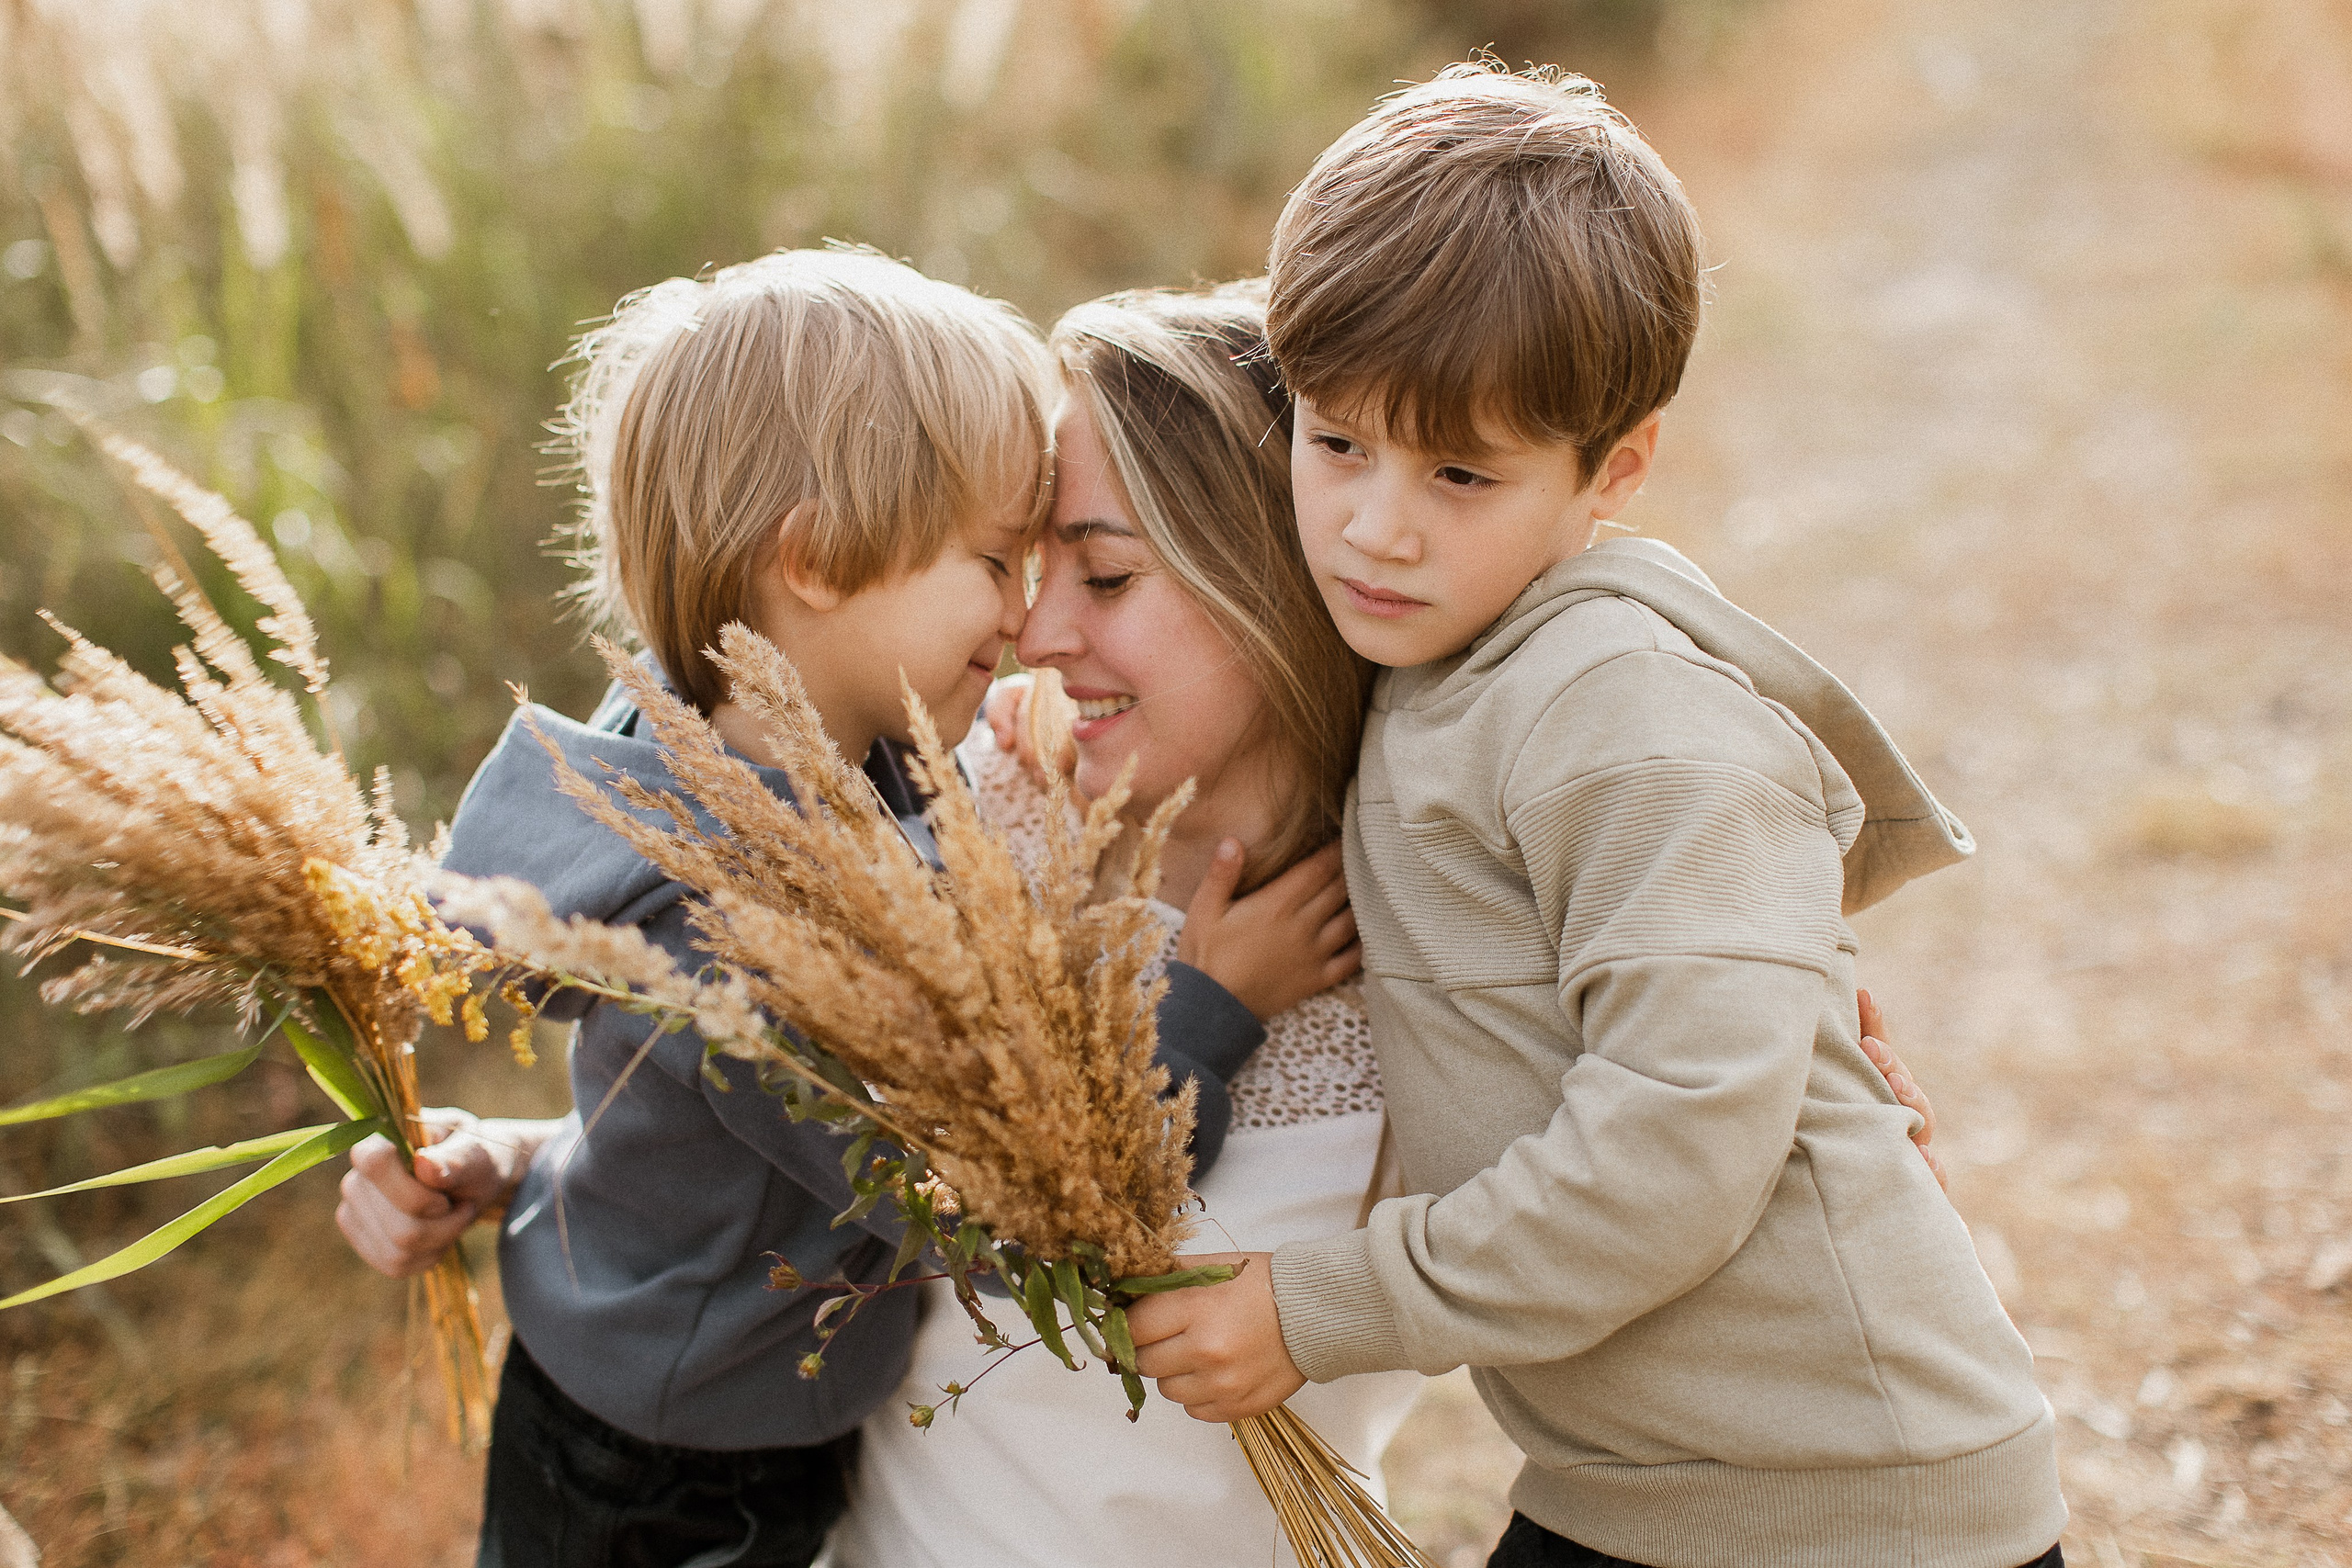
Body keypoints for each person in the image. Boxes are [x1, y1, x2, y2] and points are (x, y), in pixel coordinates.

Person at [828, 281, 1951, 1568]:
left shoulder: (1460, 929)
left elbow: (1681, 1173)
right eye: (1033, 572)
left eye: (1106, 574)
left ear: (1272, 577)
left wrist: (1824, 1119)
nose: (1036, 630)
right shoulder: (971, 826)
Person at [1125, 63, 2069, 1568]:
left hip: (1841, 1498)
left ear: (1614, 470)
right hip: (1648, 1483)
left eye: (1459, 471)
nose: (1376, 523)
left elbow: (1676, 1146)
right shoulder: (1438, 664)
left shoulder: (1627, 716)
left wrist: (1322, 1307)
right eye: (1335, 440)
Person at [331, 248, 1342, 1568]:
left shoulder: (742, 757)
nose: (1023, 620)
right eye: (994, 561)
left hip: (672, 1387)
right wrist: (1208, 1008)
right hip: (680, 1476)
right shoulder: (760, 909)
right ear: (812, 558)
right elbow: (1001, 1221)